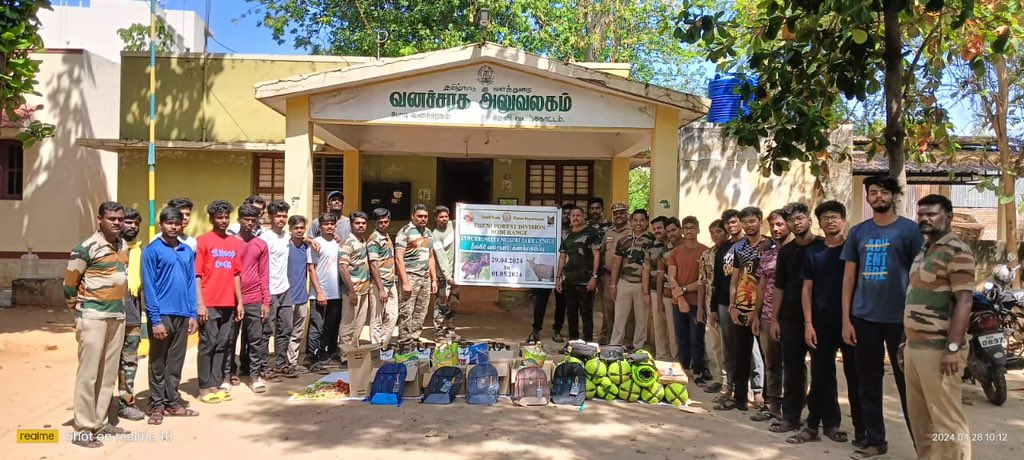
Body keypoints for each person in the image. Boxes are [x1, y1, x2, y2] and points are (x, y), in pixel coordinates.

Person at [841, 176, 923, 458]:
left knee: (907, 384)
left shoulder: (910, 231)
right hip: (864, 318)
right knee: (868, 381)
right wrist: (846, 320)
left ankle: (922, 446)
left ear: (893, 196)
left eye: (882, 192)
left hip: (901, 321)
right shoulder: (858, 233)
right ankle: (876, 440)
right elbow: (849, 279)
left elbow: (919, 277)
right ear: (867, 198)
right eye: (872, 192)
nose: (877, 197)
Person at [903, 194, 975, 460]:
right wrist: (904, 342)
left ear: (948, 217)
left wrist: (953, 348)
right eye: (921, 214)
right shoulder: (925, 249)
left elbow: (964, 302)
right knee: (921, 423)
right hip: (914, 347)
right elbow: (914, 296)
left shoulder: (956, 250)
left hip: (939, 349)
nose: (924, 219)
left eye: (931, 214)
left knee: (947, 422)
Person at [793, 200, 864, 445]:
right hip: (821, 324)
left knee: (856, 377)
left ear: (844, 221)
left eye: (835, 217)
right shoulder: (814, 252)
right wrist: (808, 324)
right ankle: (820, 425)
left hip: (851, 323)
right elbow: (806, 290)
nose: (830, 221)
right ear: (819, 223)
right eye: (825, 218)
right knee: (822, 375)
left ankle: (862, 430)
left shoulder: (854, 251)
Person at [64, 202, 129, 448]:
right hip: (92, 317)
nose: (116, 222)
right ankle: (83, 427)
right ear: (100, 219)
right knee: (88, 374)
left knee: (108, 373)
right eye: (111, 218)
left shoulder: (123, 246)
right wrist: (79, 313)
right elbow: (69, 284)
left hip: (117, 316)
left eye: (120, 218)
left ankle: (100, 421)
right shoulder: (85, 248)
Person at [142, 207, 200, 425]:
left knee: (175, 363)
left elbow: (190, 284)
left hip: (182, 313)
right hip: (162, 314)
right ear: (162, 225)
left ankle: (171, 402)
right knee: (158, 361)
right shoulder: (152, 250)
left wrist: (193, 313)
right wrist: (155, 320)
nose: (173, 226)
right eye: (169, 223)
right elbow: (149, 287)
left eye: (177, 223)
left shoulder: (186, 251)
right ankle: (155, 404)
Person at [719, 206, 769, 411]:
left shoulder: (770, 246)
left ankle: (766, 399)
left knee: (766, 356)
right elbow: (735, 279)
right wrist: (733, 305)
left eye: (752, 221)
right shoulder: (739, 248)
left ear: (760, 221)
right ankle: (739, 398)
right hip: (740, 308)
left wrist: (756, 312)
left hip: (762, 310)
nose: (749, 226)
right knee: (741, 354)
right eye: (745, 222)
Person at [195, 200, 244, 402]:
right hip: (209, 301)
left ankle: (215, 384)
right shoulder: (203, 241)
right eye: (219, 217)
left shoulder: (234, 243)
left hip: (228, 303)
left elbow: (236, 274)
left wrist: (239, 302)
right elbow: (197, 274)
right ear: (212, 219)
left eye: (226, 217)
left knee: (223, 344)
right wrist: (200, 304)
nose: (223, 221)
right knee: (208, 344)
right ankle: (203, 387)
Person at [750, 210, 790, 422]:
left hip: (792, 318)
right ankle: (772, 405)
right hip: (766, 316)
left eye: (780, 224)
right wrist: (756, 315)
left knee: (794, 365)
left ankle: (793, 409)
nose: (776, 228)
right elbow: (761, 286)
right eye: (773, 225)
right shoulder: (767, 255)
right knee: (771, 363)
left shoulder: (798, 252)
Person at [665, 216, 707, 381]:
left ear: (698, 229)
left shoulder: (705, 251)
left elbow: (703, 280)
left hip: (698, 302)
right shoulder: (675, 252)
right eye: (686, 227)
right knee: (681, 336)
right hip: (678, 302)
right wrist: (681, 298)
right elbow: (671, 277)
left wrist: (683, 290)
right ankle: (683, 367)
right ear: (682, 230)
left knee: (696, 337)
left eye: (692, 227)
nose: (689, 230)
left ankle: (698, 370)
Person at [113, 207, 145, 422]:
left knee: (129, 362)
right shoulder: (108, 250)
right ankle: (101, 405)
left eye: (136, 223)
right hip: (109, 317)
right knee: (107, 362)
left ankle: (126, 402)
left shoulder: (142, 252)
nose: (133, 227)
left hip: (133, 315)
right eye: (128, 222)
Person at [258, 200, 296, 377]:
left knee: (286, 328)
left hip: (285, 289)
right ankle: (264, 367)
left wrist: (310, 240)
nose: (281, 219)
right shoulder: (265, 238)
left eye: (284, 216)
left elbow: (301, 238)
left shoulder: (287, 237)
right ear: (270, 217)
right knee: (266, 331)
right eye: (278, 216)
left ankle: (280, 363)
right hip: (269, 290)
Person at [555, 206, 602, 341]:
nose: (575, 218)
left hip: (585, 280)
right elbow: (562, 257)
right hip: (569, 281)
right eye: (572, 216)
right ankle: (573, 342)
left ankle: (587, 342)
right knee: (571, 313)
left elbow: (597, 255)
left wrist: (594, 277)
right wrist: (558, 278)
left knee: (586, 313)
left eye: (578, 215)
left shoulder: (591, 233)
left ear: (583, 217)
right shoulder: (567, 236)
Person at [610, 209, 654, 350]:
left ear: (646, 222)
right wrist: (613, 284)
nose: (638, 223)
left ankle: (638, 348)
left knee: (641, 320)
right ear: (631, 222)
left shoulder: (652, 240)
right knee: (619, 319)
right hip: (624, 283)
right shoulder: (623, 239)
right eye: (635, 220)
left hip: (642, 285)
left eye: (641, 220)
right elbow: (616, 263)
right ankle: (614, 346)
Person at [529, 203, 572, 343]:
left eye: (569, 214)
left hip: (564, 273)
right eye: (564, 213)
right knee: (541, 301)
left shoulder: (576, 232)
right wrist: (550, 211)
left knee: (561, 303)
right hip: (546, 269)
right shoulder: (549, 229)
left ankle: (557, 330)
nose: (567, 216)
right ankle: (536, 330)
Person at [395, 204, 438, 344]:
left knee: (421, 311)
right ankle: (405, 341)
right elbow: (398, 258)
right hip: (410, 276)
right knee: (406, 311)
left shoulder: (428, 233)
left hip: (425, 278)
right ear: (412, 216)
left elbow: (431, 257)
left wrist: (434, 279)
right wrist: (405, 282)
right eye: (420, 216)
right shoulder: (405, 232)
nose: (423, 219)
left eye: (425, 216)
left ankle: (415, 338)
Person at [306, 213, 343, 374]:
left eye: (332, 224)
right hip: (320, 293)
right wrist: (319, 292)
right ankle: (312, 358)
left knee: (331, 326)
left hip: (336, 292)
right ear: (319, 226)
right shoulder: (316, 244)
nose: (329, 227)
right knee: (317, 326)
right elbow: (311, 269)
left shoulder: (337, 243)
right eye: (326, 224)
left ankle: (325, 354)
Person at [699, 219, 728, 393]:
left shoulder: (733, 252)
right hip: (711, 304)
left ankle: (734, 382)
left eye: (719, 231)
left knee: (730, 345)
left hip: (730, 304)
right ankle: (719, 378)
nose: (716, 235)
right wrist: (702, 308)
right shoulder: (707, 254)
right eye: (713, 232)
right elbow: (702, 281)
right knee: (715, 344)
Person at [598, 201, 631, 344]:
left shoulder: (632, 232)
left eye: (621, 212)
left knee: (627, 311)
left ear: (627, 214)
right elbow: (602, 252)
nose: (618, 215)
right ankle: (609, 338)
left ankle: (627, 340)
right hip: (608, 275)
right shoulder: (608, 232)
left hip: (625, 277)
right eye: (616, 213)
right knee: (608, 309)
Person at [339, 212, 372, 348]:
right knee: (348, 325)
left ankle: (354, 353)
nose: (361, 226)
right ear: (351, 225)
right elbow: (343, 267)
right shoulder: (348, 242)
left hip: (363, 290)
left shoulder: (363, 241)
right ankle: (345, 355)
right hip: (352, 291)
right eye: (357, 223)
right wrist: (351, 291)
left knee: (359, 324)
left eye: (363, 223)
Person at [368, 208, 399, 346]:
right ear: (375, 222)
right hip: (378, 284)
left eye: (386, 222)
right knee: (377, 318)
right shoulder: (374, 239)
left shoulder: (387, 236)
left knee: (393, 316)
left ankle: (382, 344)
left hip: (391, 282)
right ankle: (376, 348)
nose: (384, 224)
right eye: (380, 222)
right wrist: (380, 288)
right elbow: (373, 265)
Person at [285, 215, 311, 374]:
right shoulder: (285, 247)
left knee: (297, 333)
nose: (299, 231)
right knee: (284, 332)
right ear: (290, 229)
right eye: (296, 228)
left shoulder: (306, 248)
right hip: (287, 297)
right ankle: (282, 363)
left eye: (302, 228)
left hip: (302, 296)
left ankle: (293, 362)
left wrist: (309, 241)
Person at [431, 205, 460, 341]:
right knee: (441, 303)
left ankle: (450, 330)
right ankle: (438, 331)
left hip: (457, 274)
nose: (444, 219)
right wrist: (447, 276)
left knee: (454, 302)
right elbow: (441, 257)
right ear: (436, 218)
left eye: (446, 216)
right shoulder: (435, 235)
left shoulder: (454, 225)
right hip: (443, 275)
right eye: (441, 217)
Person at [650, 216, 676, 360]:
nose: (657, 231)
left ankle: (675, 356)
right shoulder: (654, 247)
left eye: (660, 228)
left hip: (674, 291)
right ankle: (661, 355)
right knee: (659, 324)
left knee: (673, 327)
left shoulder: (677, 247)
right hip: (656, 289)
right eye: (655, 229)